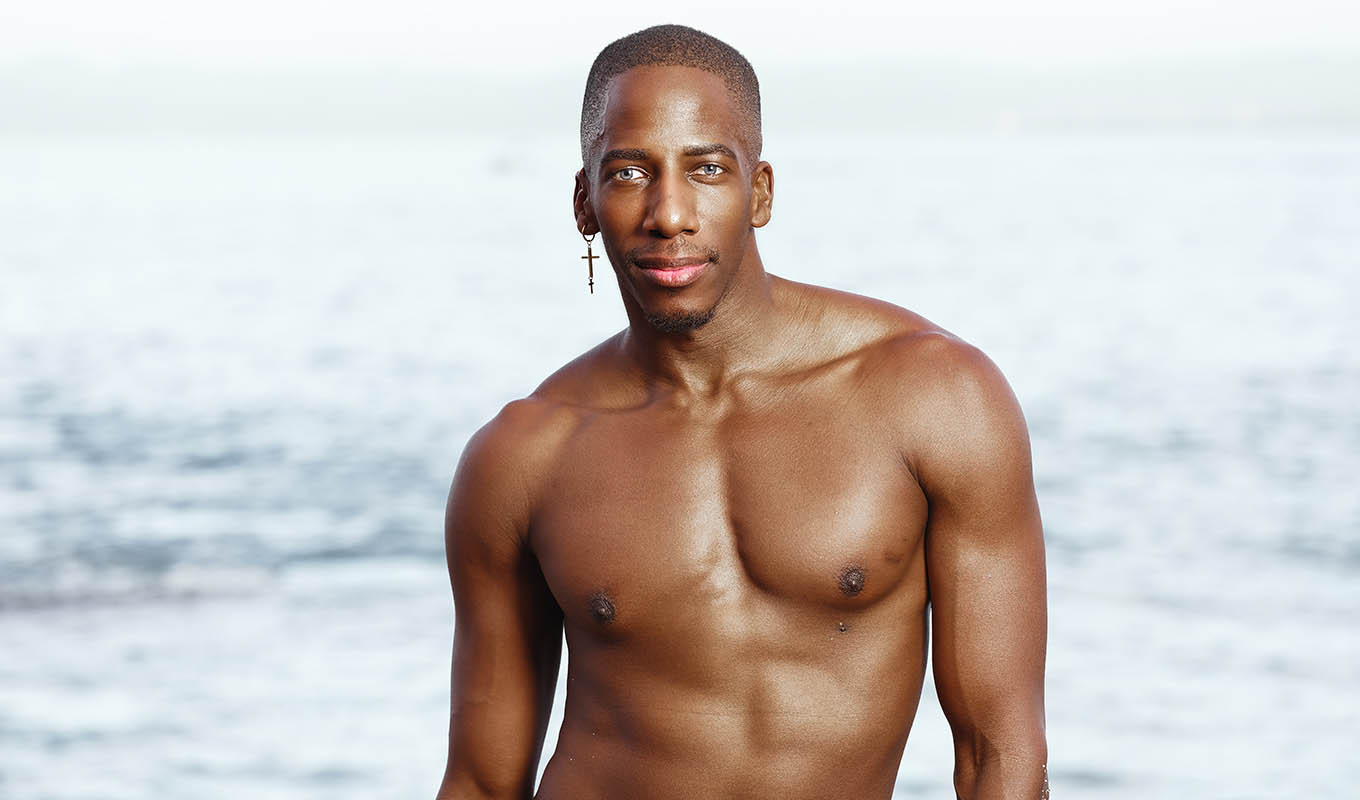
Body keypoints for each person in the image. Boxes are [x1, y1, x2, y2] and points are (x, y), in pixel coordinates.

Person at [436, 24, 1048, 800]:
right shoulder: (522, 456)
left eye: (707, 169)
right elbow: (482, 783)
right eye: (629, 173)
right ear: (585, 202)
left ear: (758, 192)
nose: (670, 213)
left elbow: (1000, 753)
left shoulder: (934, 397)